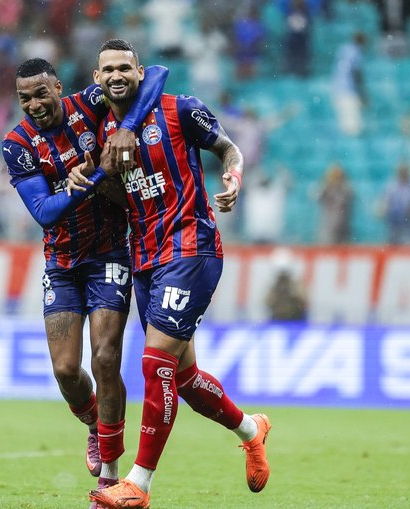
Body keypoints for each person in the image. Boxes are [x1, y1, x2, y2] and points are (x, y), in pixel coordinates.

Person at [69, 39, 271, 509]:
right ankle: (251, 429)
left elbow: (230, 149)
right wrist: (92, 182)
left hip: (192, 248)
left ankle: (138, 484)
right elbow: (128, 197)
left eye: (125, 67)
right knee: (183, 379)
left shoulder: (181, 110)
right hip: (145, 259)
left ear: (139, 72)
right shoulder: (102, 131)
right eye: (107, 70)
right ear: (97, 80)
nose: (117, 75)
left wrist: (233, 179)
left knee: (154, 361)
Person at [1, 57, 168, 504]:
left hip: (110, 253)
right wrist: (88, 179)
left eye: (41, 93)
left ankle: (110, 477)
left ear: (58, 86)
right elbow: (43, 212)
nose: (34, 104)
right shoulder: (17, 144)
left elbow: (156, 75)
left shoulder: (88, 102)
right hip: (62, 263)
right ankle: (97, 425)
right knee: (65, 370)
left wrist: (127, 127)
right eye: (24, 99)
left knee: (107, 358)